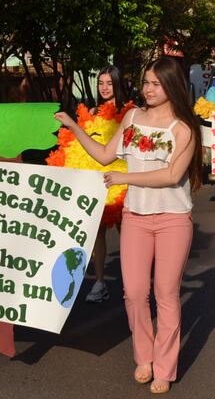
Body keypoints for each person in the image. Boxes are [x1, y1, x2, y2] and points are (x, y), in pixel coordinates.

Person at [55, 57, 202, 394]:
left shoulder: (184, 128)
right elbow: (106, 155)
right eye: (146, 82)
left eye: (155, 83)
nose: (148, 89)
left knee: (166, 294)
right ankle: (144, 357)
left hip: (173, 221)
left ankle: (164, 368)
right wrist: (74, 127)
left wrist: (125, 176)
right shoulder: (133, 117)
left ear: (172, 86)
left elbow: (171, 176)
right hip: (135, 217)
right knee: (134, 293)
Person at [85, 65, 127, 304]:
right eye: (101, 83)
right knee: (97, 232)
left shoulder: (128, 112)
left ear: (117, 84)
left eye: (109, 83)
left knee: (128, 232)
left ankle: (133, 281)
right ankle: (100, 282)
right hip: (97, 179)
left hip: (123, 178)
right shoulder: (91, 111)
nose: (104, 87)